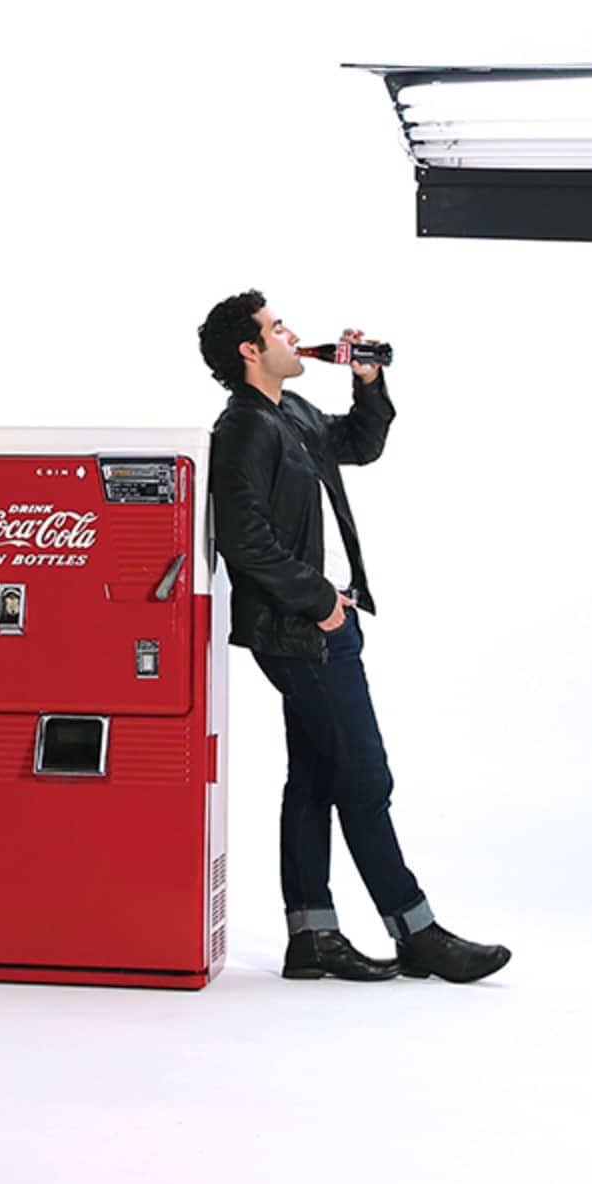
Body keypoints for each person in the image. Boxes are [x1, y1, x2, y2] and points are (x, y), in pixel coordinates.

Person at [196, 290, 509, 985]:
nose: (291, 334)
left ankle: (313, 938)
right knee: (365, 778)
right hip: (301, 631)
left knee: (313, 777)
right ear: (251, 350)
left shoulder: (292, 412)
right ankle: (418, 933)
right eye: (278, 328)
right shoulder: (242, 428)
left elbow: (361, 446)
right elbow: (246, 543)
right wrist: (321, 606)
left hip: (325, 622)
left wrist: (368, 381)